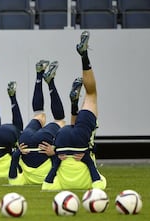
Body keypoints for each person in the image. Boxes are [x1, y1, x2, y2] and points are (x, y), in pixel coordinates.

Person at [41, 31, 106, 190]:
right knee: (65, 123)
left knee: (91, 95)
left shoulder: (90, 185)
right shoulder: (60, 186)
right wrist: (55, 157)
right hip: (62, 142)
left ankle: (84, 55)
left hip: (80, 145)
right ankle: (71, 102)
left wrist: (88, 161)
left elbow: (98, 182)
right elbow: (46, 185)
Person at [8, 60, 66, 186]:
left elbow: (56, 164)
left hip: (43, 144)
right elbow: (12, 176)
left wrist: (54, 152)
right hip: (25, 141)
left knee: (60, 121)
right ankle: (39, 74)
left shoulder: (50, 181)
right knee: (39, 115)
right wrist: (17, 152)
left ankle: (50, 82)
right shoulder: (24, 181)